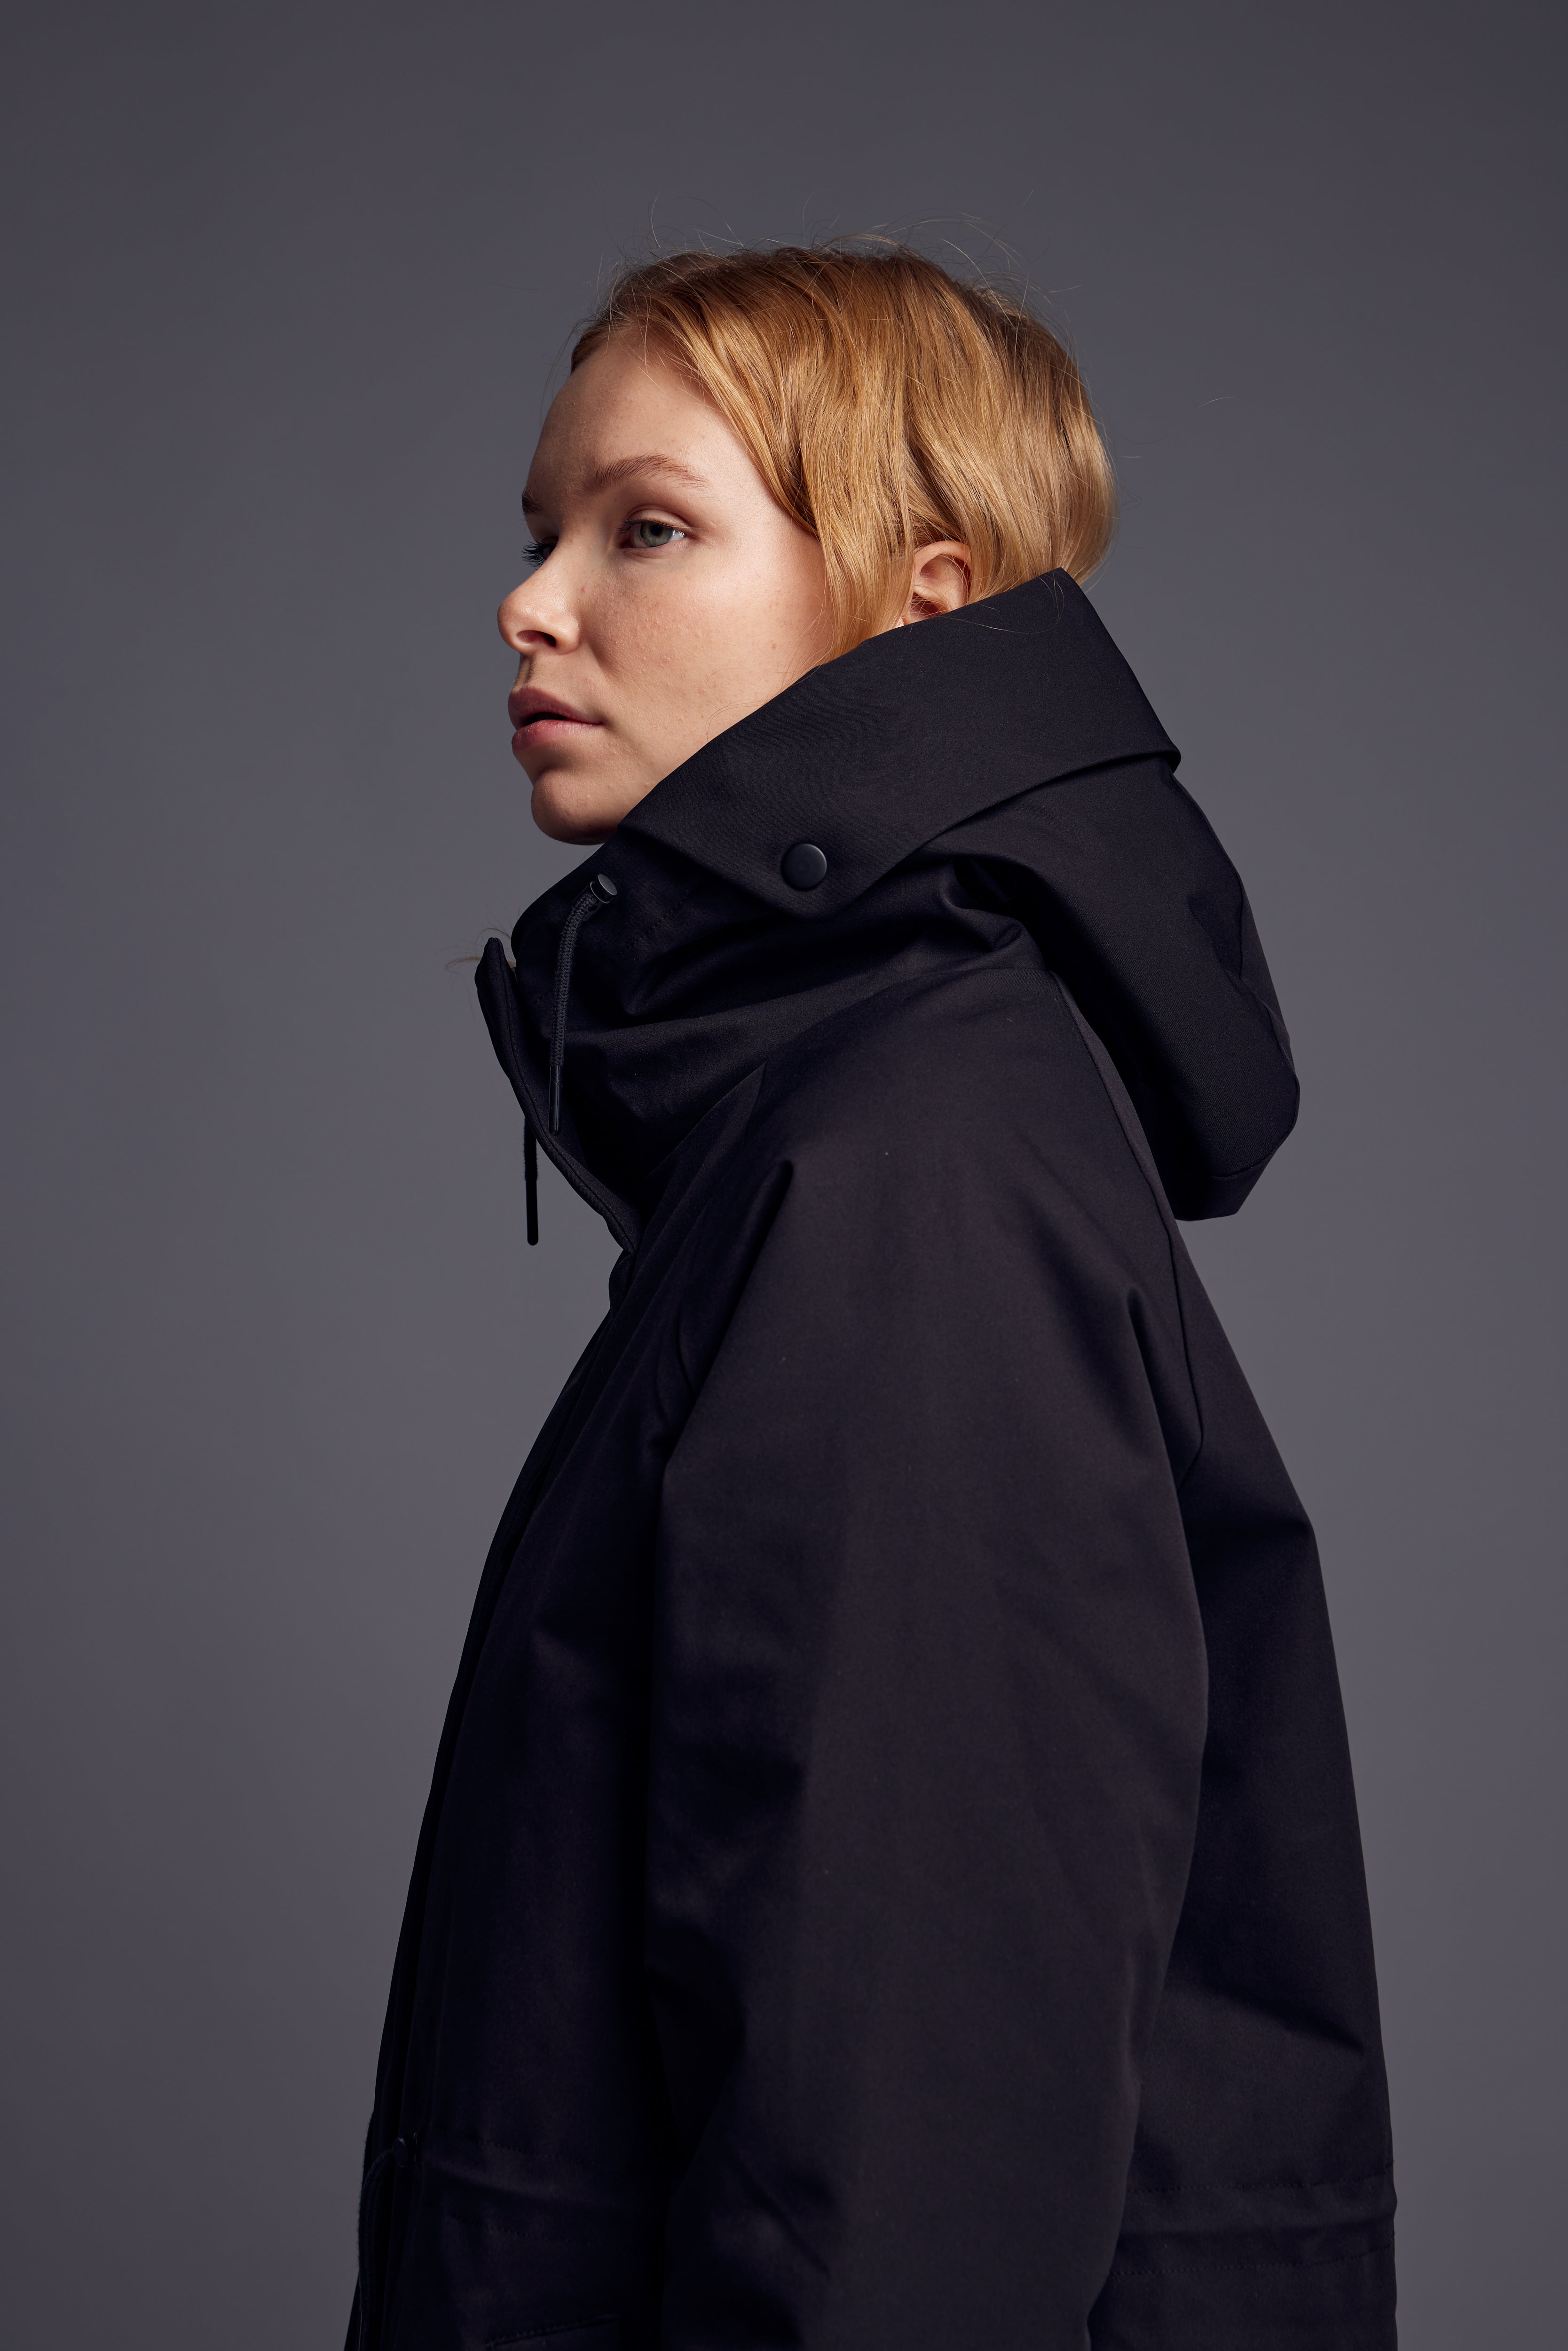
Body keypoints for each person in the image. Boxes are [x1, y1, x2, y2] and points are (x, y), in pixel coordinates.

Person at [348, 244, 1396, 2351]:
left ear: (923, 599)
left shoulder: (917, 1177)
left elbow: (908, 2157)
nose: (533, 603)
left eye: (647, 529)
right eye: (543, 532)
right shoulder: (839, 1126)